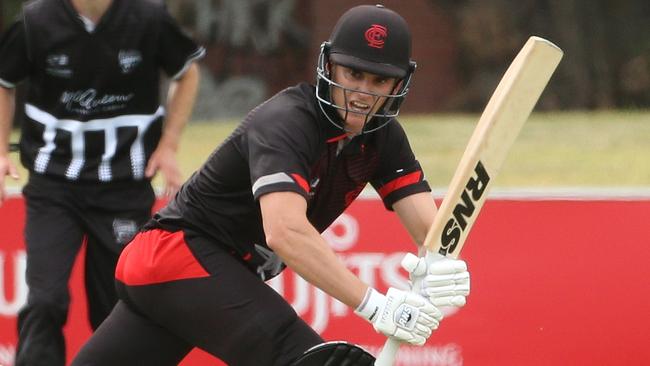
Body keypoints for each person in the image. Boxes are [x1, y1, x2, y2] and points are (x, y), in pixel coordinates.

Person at [71, 4, 470, 366]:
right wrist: (373, 304)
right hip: (178, 257)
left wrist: (445, 263)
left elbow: (430, 231)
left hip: (195, 277)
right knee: (312, 360)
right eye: (354, 74)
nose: (362, 93)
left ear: (399, 84)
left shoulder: (383, 137)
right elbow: (285, 231)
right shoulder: (288, 120)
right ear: (329, 67)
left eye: (380, 81)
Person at [0, 0, 204, 365]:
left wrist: (169, 144)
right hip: (52, 186)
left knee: (116, 310)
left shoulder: (149, 17)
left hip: (124, 187)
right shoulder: (36, 20)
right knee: (45, 300)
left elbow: (187, 72)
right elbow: (4, 81)